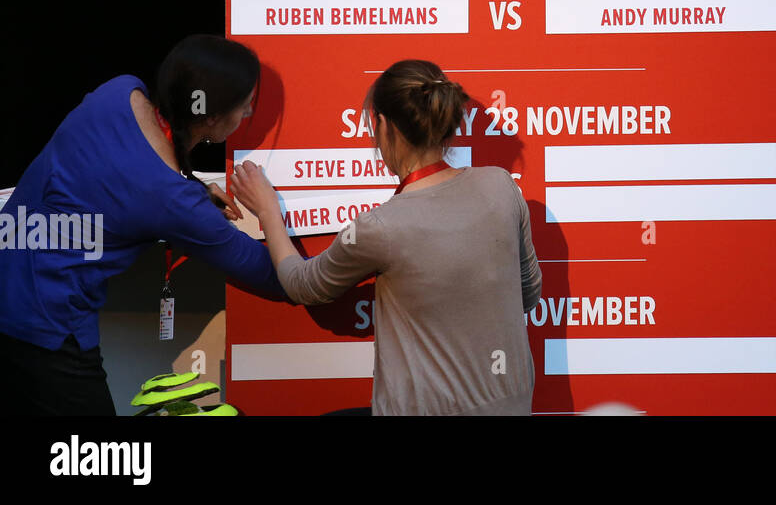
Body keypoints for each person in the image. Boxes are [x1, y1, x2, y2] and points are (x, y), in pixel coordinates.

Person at [229, 59, 541, 416]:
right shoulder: (501, 186)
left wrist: (268, 211)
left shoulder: (381, 227)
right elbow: (528, 295)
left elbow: (302, 285)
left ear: (383, 125)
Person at [0, 34, 282, 415]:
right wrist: (267, 210)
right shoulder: (171, 200)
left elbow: (116, 176)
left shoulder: (117, 92)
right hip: (47, 329)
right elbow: (274, 276)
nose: (249, 114)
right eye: (246, 106)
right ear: (212, 117)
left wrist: (193, 192)